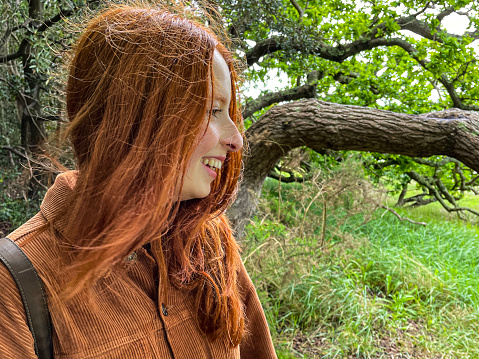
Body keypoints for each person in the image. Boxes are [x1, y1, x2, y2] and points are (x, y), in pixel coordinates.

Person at [0, 4, 277, 358]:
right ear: (135, 118)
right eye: (212, 111)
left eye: (229, 112)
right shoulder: (17, 285)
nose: (236, 138)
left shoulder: (209, 243)